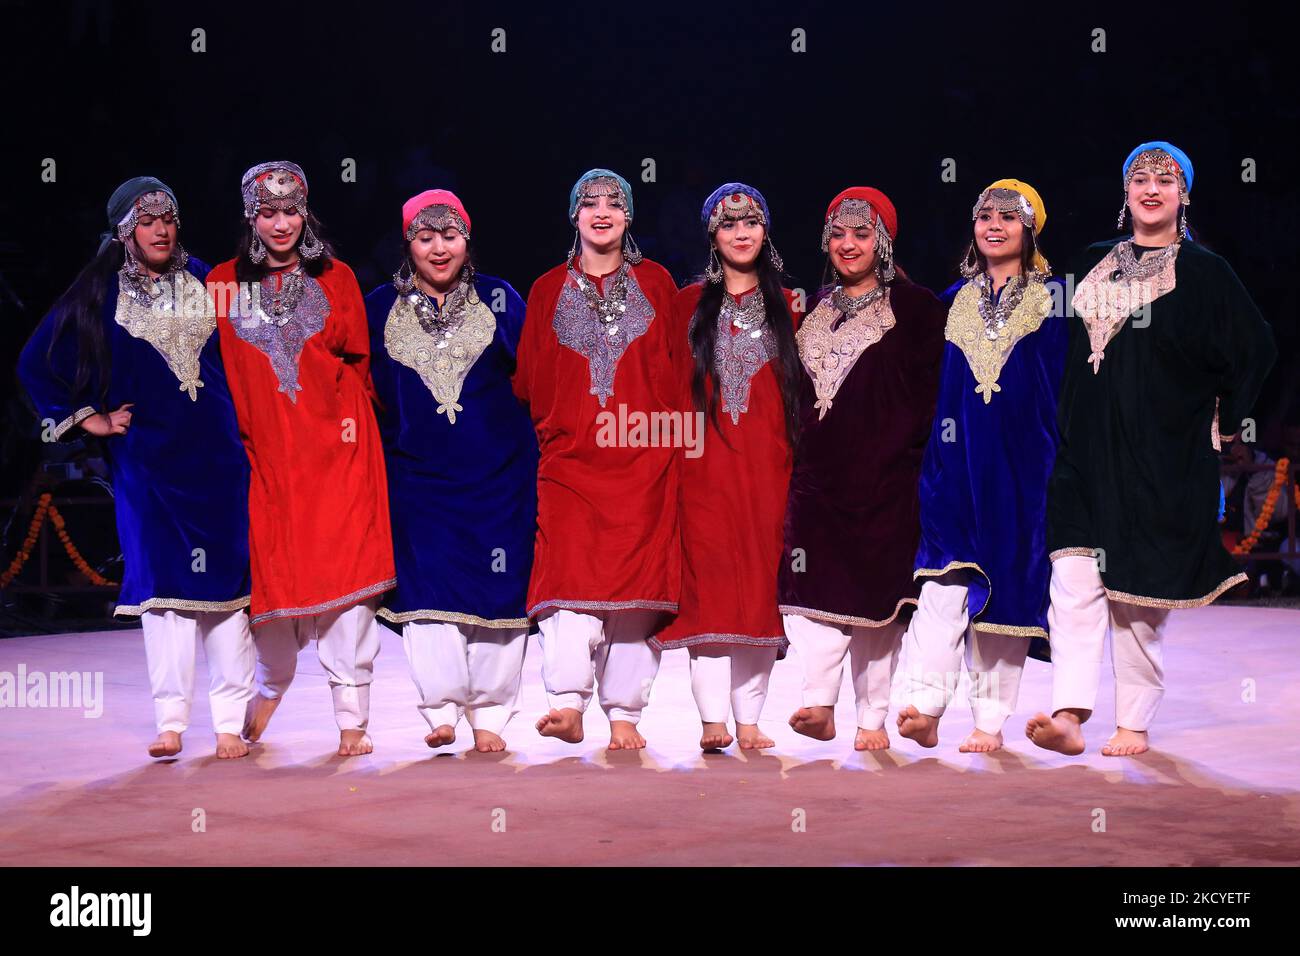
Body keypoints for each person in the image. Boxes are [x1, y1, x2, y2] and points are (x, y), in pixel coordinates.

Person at [1027, 142, 1276, 757]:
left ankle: (1133, 722)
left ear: (1184, 194)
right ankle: (1070, 712)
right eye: (1139, 177)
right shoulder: (1087, 263)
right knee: (1073, 581)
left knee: (1137, 597)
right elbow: (1050, 348)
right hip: (1081, 453)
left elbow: (1256, 347)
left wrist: (1226, 421)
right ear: (1125, 192)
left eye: (1166, 179)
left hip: (1159, 459)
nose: (1151, 188)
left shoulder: (1205, 273)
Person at [18, 176, 254, 759]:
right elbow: (35, 360)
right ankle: (170, 722)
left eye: (168, 218)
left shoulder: (209, 281)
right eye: (147, 221)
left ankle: (229, 723)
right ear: (126, 230)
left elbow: (254, 354)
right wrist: (85, 418)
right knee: (164, 594)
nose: (161, 229)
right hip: (148, 464)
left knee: (230, 595)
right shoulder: (100, 290)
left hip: (221, 458)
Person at [208, 161, 395, 757]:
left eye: (292, 210)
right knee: (272, 599)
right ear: (250, 217)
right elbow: (204, 369)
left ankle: (352, 721)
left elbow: (359, 364)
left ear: (306, 212)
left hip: (337, 454)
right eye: (268, 211)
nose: (281, 222)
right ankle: (269, 688)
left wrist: (348, 434)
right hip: (264, 457)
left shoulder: (336, 278)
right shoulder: (221, 284)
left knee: (347, 592)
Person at [513, 168, 681, 750]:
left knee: (637, 588)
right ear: (574, 215)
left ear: (629, 215)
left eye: (615, 202)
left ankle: (625, 713)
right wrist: (563, 433)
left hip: (645, 461)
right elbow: (532, 380)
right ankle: (566, 700)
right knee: (567, 576)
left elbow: (678, 373)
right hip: (571, 461)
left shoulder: (658, 284)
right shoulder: (544, 290)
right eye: (589, 203)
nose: (602, 211)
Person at [365, 189, 538, 753]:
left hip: (500, 476)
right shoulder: (376, 307)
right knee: (427, 590)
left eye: (450, 235)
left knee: (499, 590)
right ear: (408, 243)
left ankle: (490, 714)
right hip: (419, 478)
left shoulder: (501, 299)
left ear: (468, 239)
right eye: (425, 237)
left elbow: (538, 379)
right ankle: (439, 707)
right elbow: (357, 389)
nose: (439, 249)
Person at [897, 179, 1066, 753]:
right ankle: (924, 706)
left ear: (1030, 228)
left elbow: (1071, 387)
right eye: (985, 215)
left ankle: (988, 723)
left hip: (1023, 471)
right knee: (941, 585)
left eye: (1009, 217)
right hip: (952, 466)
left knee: (1005, 595)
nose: (995, 225)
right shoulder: (951, 300)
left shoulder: (1055, 300)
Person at [779, 187, 945, 751]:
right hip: (816, 481)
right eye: (838, 233)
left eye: (861, 233)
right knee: (808, 596)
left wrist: (912, 461)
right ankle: (820, 704)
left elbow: (932, 398)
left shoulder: (917, 307)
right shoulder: (814, 307)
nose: (848, 244)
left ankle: (872, 720)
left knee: (877, 607)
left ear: (885, 241)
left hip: (887, 481)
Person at [653, 183, 801, 751]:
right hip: (702, 467)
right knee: (709, 587)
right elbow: (665, 388)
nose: (741, 233)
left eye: (751, 223)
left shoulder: (793, 305)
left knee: (762, 585)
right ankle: (713, 720)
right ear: (712, 236)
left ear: (765, 231)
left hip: (771, 467)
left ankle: (749, 721)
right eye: (728, 224)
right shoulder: (686, 305)